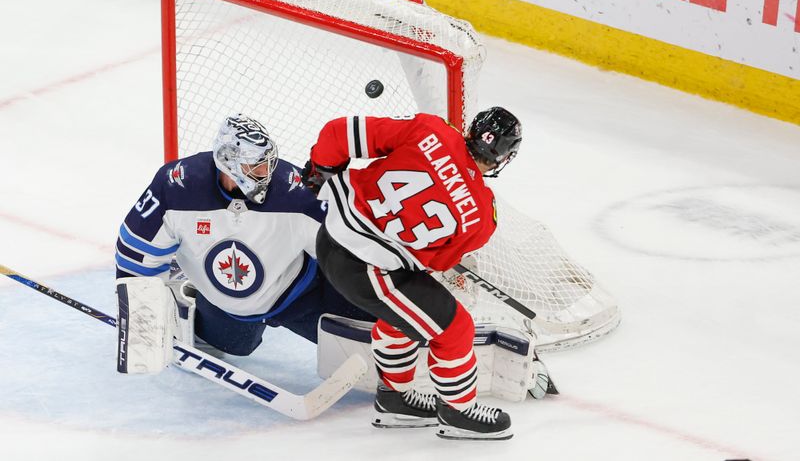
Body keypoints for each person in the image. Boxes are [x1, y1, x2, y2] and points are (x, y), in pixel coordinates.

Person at [302, 107, 522, 440]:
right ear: (505, 157)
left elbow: (338, 134)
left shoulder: (432, 130)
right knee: (454, 328)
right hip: (367, 270)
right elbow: (436, 262)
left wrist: (321, 169)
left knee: (411, 312)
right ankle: (459, 411)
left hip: (331, 236)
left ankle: (395, 399)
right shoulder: (481, 215)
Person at [114, 114, 373, 370]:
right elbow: (135, 254)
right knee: (235, 345)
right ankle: (187, 300)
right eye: (255, 165)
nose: (266, 172)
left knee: (363, 338)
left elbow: (349, 250)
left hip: (300, 295)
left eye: (267, 163)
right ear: (228, 161)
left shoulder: (298, 195)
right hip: (228, 307)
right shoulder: (177, 187)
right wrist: (142, 331)